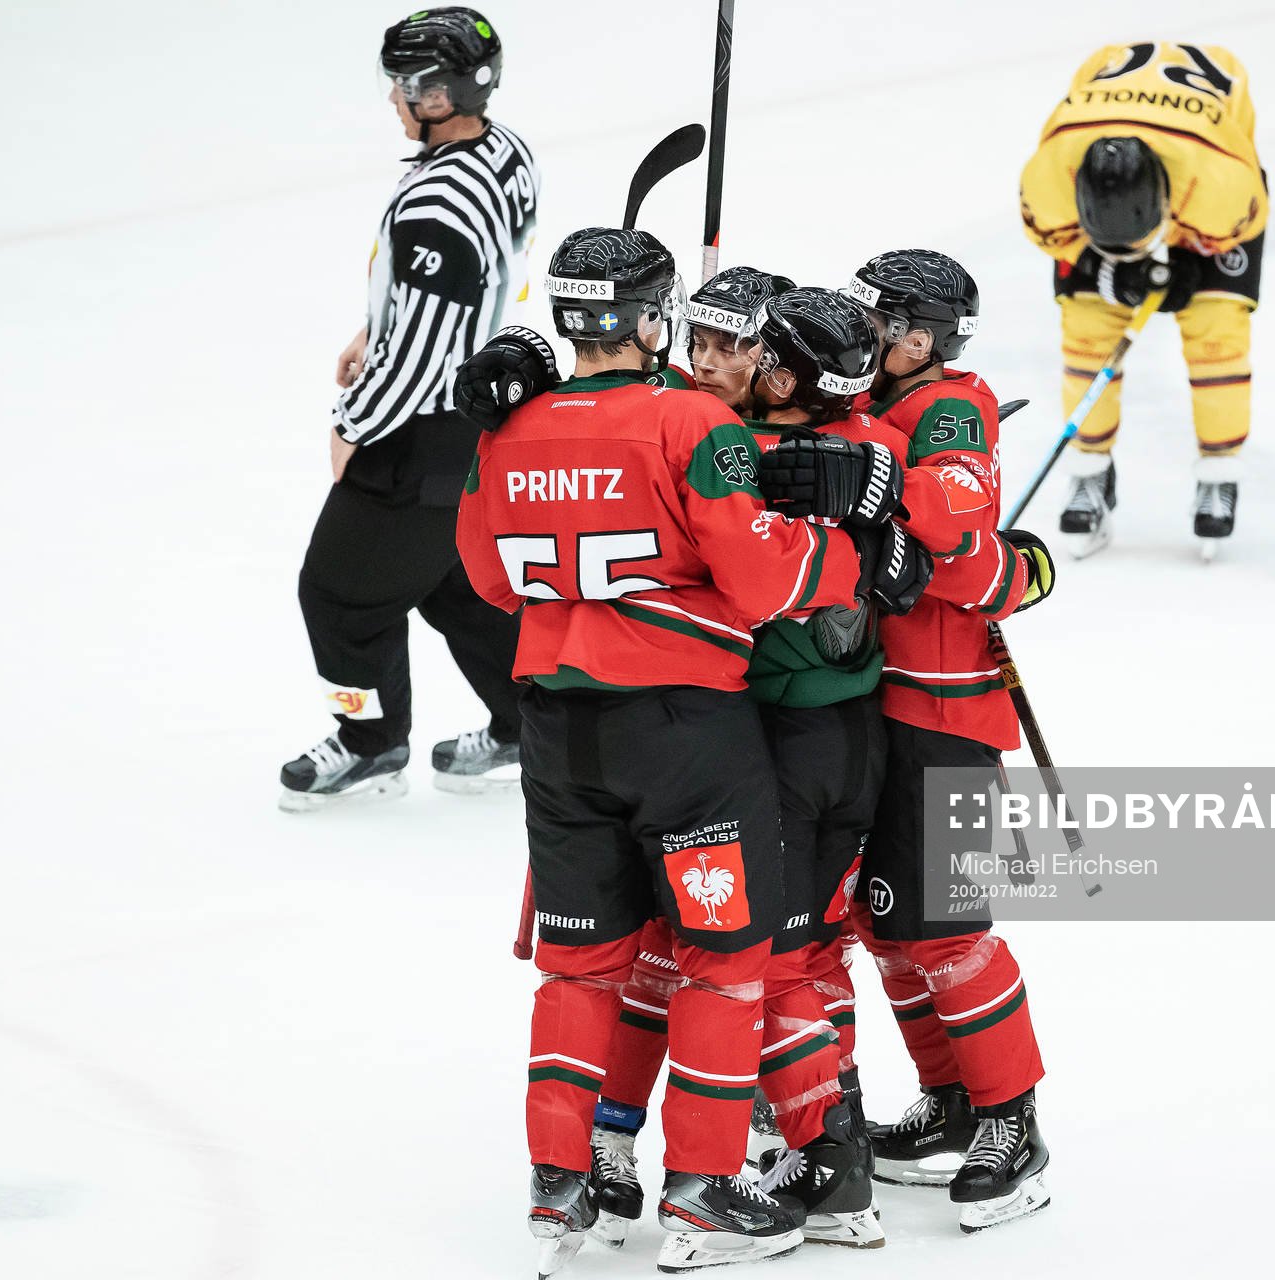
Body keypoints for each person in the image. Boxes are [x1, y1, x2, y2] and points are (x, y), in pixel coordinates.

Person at [454, 228, 926, 1274]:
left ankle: (561, 1184)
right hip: (686, 734)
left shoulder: (506, 427)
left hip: (556, 730)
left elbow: (488, 581)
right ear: (654, 318)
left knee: (579, 963)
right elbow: (761, 581)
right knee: (722, 963)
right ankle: (704, 1193)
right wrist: (844, 545)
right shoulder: (693, 422)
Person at [760, 248, 1056, 1232]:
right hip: (880, 711)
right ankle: (954, 1100)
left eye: (874, 319)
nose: (861, 331)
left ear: (919, 336)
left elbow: (957, 512)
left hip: (950, 714)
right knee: (890, 926)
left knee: (949, 930)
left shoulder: (951, 410)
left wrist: (886, 485)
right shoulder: (881, 409)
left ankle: (1015, 1124)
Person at [280, 8, 538, 811]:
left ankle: (369, 742)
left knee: (339, 594)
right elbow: (459, 296)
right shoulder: (506, 153)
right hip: (477, 418)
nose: (397, 96)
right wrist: (380, 323)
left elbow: (426, 353)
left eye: (411, 83)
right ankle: (533, 722)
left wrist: (353, 426)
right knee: (453, 583)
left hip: (418, 432)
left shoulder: (438, 208)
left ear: (450, 89)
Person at [1019, 41, 1268, 556]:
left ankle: (1219, 473)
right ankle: (1091, 470)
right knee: (1087, 327)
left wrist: (1190, 269)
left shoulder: (1221, 187)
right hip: (1126, 129)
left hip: (1205, 155)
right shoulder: (1048, 182)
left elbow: (1242, 227)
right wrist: (1106, 274)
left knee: (1217, 327)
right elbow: (1059, 242)